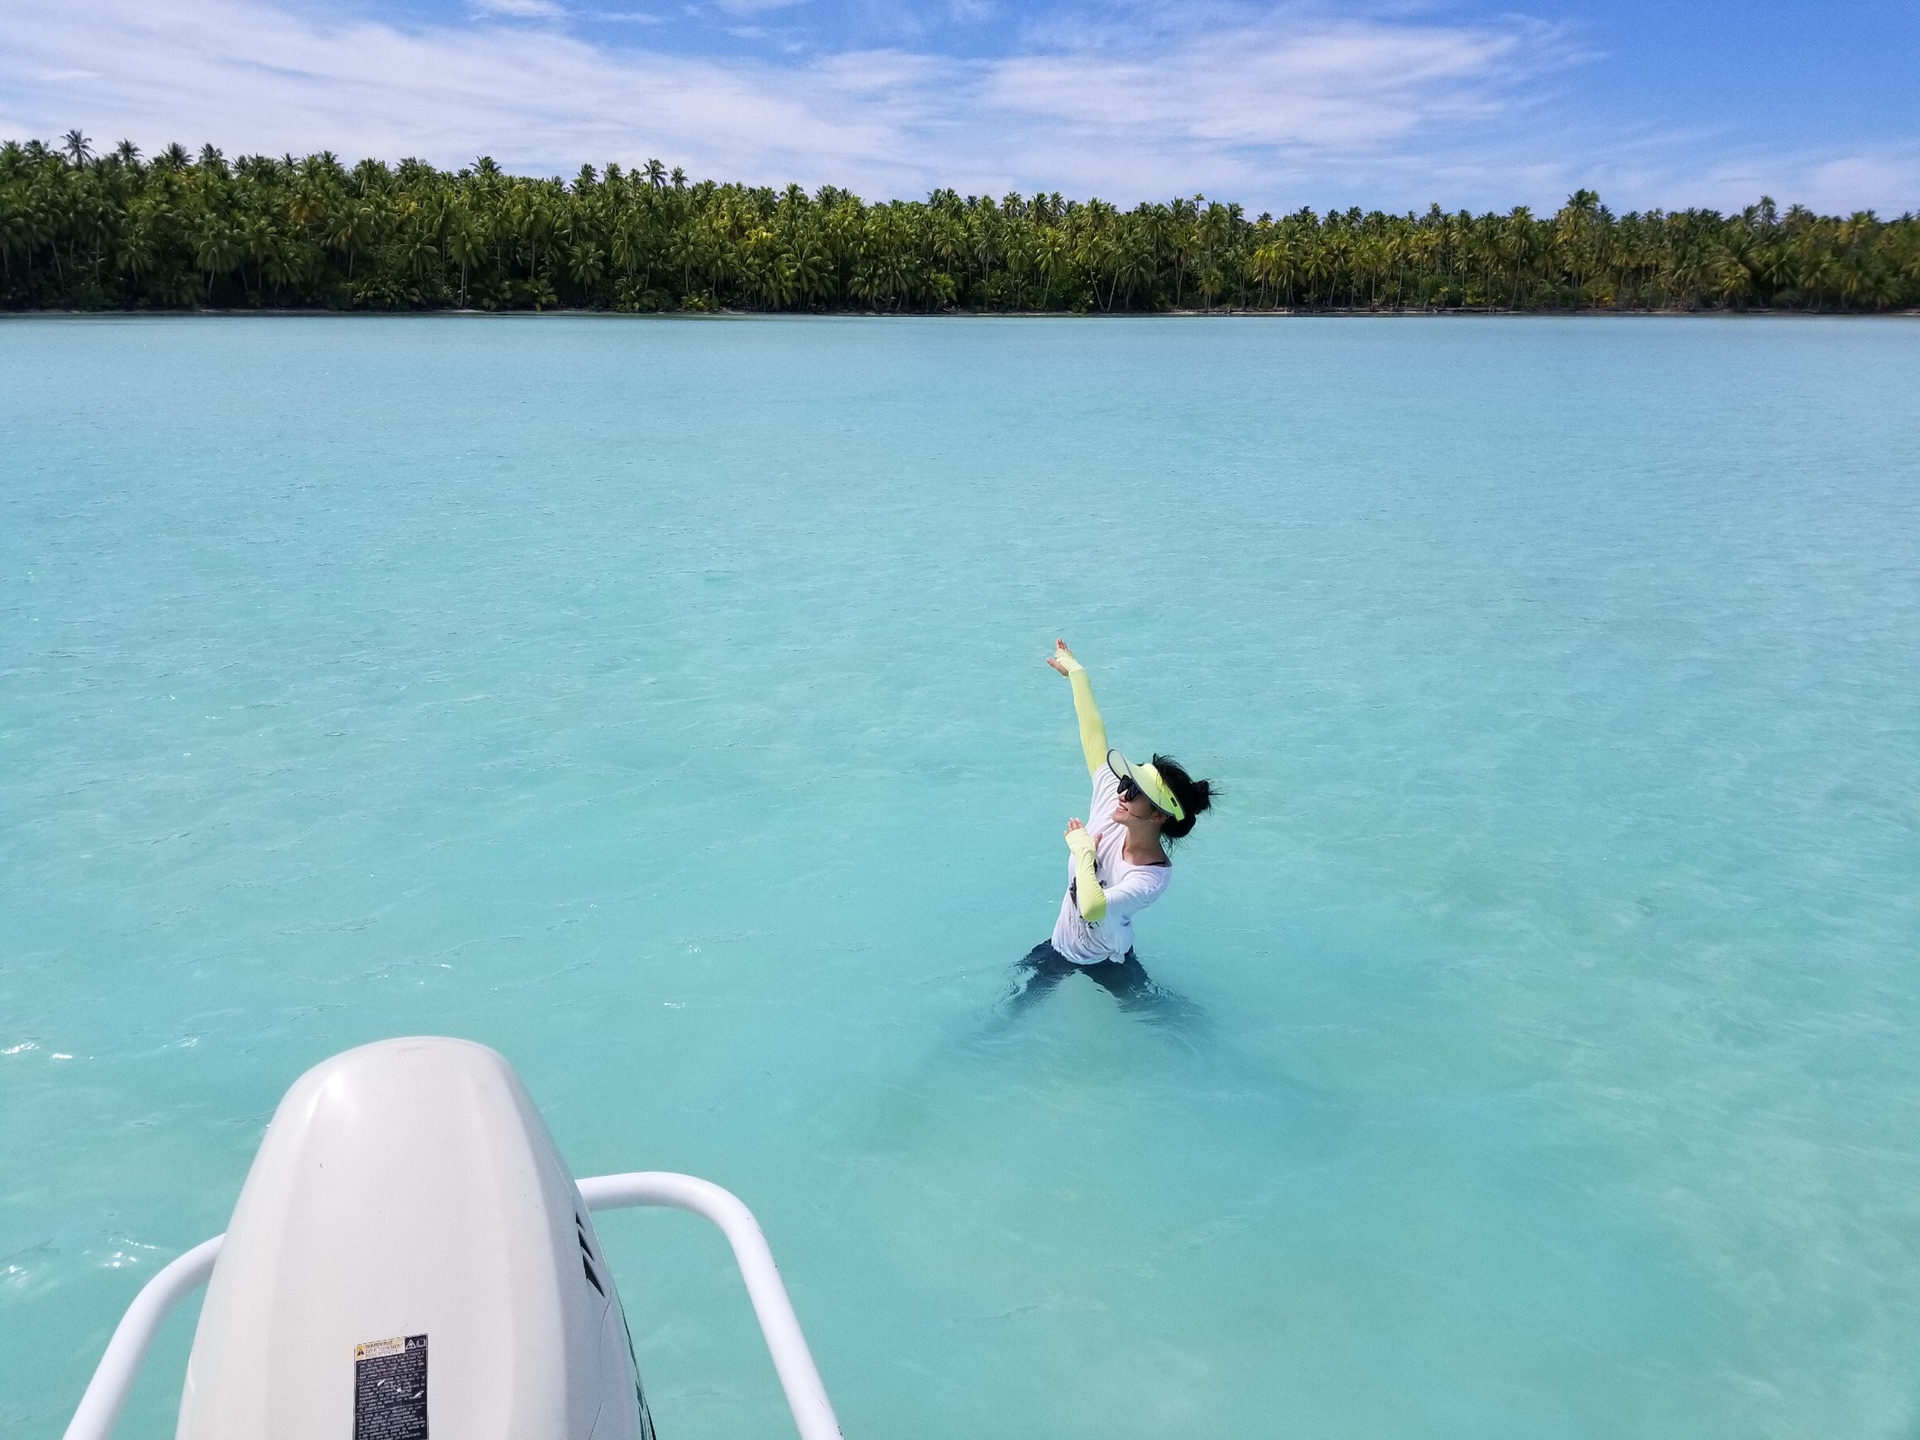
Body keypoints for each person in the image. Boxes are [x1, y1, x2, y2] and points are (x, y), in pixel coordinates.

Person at [1001, 640, 1214, 1027]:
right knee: (1009, 1009)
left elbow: (1093, 906)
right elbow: (1093, 735)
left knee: (1152, 1016)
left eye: (1133, 791)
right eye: (1126, 782)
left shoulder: (1150, 878)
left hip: (1107, 961)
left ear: (1157, 817)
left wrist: (1084, 852)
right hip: (1061, 947)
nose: (1121, 790)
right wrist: (1078, 677)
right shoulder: (1110, 806)